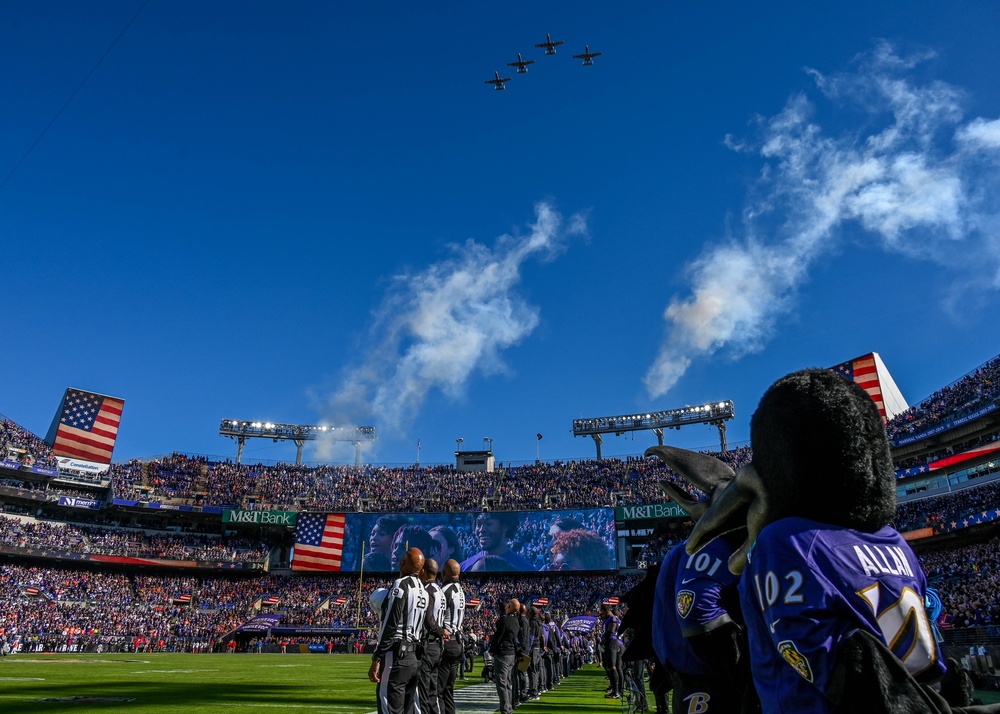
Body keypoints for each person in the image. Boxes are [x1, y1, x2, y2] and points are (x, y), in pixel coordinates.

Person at [369, 547, 429, 714]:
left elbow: (391, 624)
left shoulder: (401, 585)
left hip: (397, 655)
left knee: (389, 708)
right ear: (421, 569)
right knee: (407, 709)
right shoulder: (424, 591)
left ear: (402, 563)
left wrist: (377, 657)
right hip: (415, 657)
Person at [416, 558, 446, 714]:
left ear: (423, 571)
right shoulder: (440, 590)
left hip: (428, 645)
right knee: (432, 692)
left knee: (424, 693)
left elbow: (429, 620)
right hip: (437, 646)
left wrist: (441, 631)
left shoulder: (428, 590)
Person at [437, 559, 466, 714]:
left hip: (446, 642)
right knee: (449, 690)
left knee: (438, 691)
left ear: (444, 573)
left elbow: (437, 618)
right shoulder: (460, 591)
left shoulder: (445, 591)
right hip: (457, 642)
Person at [460, 513, 535, 572]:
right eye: (478, 524)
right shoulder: (463, 568)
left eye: (489, 524)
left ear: (505, 526)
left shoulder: (525, 569)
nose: (481, 530)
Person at [489, 599, 521, 714]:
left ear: (509, 607)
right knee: (507, 682)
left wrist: (492, 650)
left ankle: (505, 709)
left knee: (502, 683)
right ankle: (508, 707)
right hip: (511, 653)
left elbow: (498, 637)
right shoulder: (515, 620)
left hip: (503, 653)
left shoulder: (505, 620)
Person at [600, 604, 623, 699]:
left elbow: (611, 632)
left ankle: (616, 691)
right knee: (616, 668)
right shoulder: (613, 618)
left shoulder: (612, 619)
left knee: (612, 667)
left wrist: (602, 642)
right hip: (616, 643)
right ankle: (617, 690)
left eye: (603, 612)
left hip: (612, 643)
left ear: (607, 611)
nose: (602, 615)